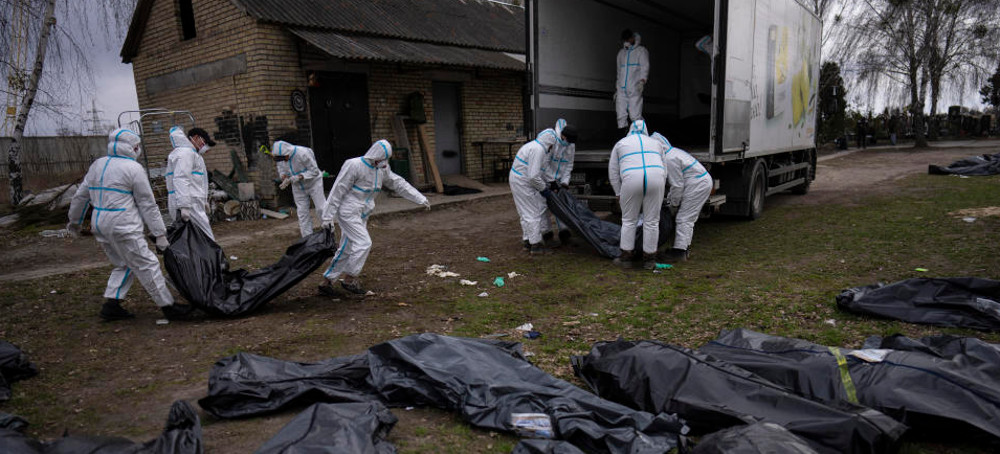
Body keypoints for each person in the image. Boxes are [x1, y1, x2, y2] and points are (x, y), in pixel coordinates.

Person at [66, 128, 195, 321]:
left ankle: (111, 305)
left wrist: (74, 222)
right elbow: (147, 204)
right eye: (137, 146)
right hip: (123, 225)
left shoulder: (98, 165)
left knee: (123, 264)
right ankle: (168, 307)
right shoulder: (133, 169)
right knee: (147, 264)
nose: (138, 149)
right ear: (133, 147)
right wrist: (159, 234)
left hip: (100, 224)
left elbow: (81, 196)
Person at [319, 140, 429, 296]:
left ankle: (327, 281)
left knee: (348, 246)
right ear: (374, 155)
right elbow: (338, 189)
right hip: (349, 211)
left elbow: (397, 183)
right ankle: (349, 279)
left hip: (363, 212)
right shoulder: (354, 165)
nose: (383, 163)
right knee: (363, 243)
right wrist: (327, 216)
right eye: (381, 159)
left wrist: (419, 198)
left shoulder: (381, 168)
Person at [608, 120, 664, 269]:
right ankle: (650, 260)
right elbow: (664, 167)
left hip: (631, 179)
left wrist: (618, 191)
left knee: (628, 220)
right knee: (652, 221)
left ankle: (626, 258)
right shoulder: (656, 143)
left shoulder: (620, 144)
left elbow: (613, 171)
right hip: (656, 178)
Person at [651, 132, 712, 263]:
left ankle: (679, 252)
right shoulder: (673, 153)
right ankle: (683, 248)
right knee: (688, 218)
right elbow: (677, 184)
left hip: (697, 184)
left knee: (684, 218)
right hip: (699, 182)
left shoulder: (669, 159)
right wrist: (671, 200)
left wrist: (673, 204)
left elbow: (677, 185)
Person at [510, 128, 561, 254]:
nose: (551, 149)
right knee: (533, 213)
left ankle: (528, 241)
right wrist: (544, 189)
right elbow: (533, 176)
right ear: (549, 143)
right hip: (523, 183)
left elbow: (543, 167)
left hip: (518, 180)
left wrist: (552, 181)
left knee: (525, 212)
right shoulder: (538, 150)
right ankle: (536, 245)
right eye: (552, 146)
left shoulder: (534, 146)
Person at [165, 126, 216, 240]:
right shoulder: (186, 153)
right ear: (196, 138)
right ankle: (212, 257)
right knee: (205, 236)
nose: (206, 147)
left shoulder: (190, 154)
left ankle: (201, 257)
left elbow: (199, 181)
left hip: (189, 200)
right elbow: (181, 178)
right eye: (205, 142)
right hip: (189, 202)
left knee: (190, 238)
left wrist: (204, 200)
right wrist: (184, 206)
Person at [271, 137, 326, 238]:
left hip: (313, 183)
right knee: (302, 212)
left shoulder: (303, 153)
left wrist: (299, 177)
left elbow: (314, 171)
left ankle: (328, 231)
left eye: (285, 158)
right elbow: (281, 168)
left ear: (288, 153)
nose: (285, 161)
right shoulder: (281, 158)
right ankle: (307, 237)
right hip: (297, 186)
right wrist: (284, 177)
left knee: (321, 208)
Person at [540, 119, 578, 245]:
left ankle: (564, 233)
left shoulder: (570, 145)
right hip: (545, 179)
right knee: (543, 206)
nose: (569, 144)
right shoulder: (552, 142)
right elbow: (544, 164)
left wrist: (565, 182)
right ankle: (547, 234)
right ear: (563, 135)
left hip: (560, 180)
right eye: (568, 140)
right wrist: (551, 181)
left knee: (561, 206)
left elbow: (569, 165)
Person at [616, 29, 650, 132]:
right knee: (620, 114)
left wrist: (642, 81)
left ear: (632, 38)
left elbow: (645, 67)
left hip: (634, 88)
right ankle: (623, 138)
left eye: (628, 39)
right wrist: (617, 89)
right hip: (621, 89)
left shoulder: (641, 51)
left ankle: (641, 136)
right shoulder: (621, 53)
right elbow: (619, 72)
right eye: (625, 40)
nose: (626, 41)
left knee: (635, 115)